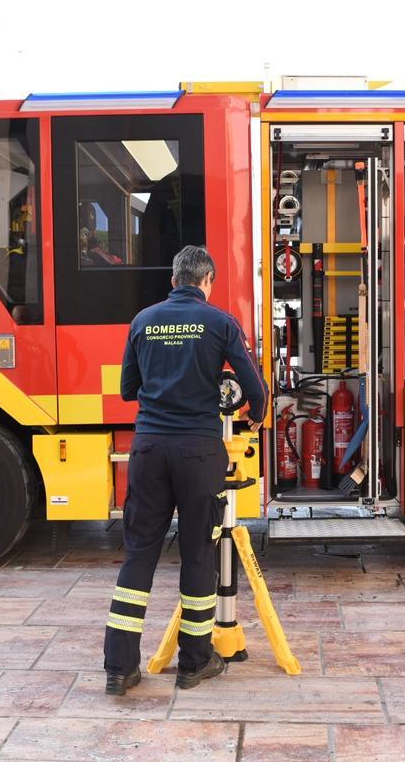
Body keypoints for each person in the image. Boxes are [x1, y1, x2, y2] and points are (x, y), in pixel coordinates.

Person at [104, 245, 268, 695]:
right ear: (207, 280)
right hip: (198, 452)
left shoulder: (143, 321)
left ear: (174, 280)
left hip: (150, 449)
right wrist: (255, 412)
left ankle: (119, 668)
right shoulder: (219, 322)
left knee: (139, 554)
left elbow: (127, 390)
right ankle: (194, 664)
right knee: (198, 553)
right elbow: (256, 388)